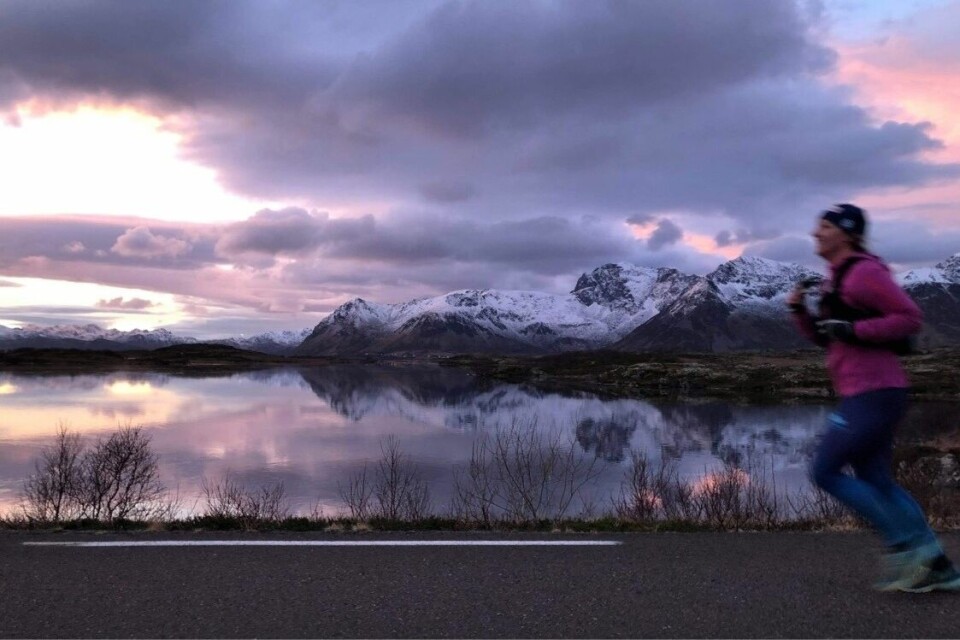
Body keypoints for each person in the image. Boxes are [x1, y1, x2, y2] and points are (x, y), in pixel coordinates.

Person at [787, 203, 960, 593]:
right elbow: (826, 337)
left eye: (825, 227)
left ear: (847, 233)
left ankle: (905, 550)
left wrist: (854, 329)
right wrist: (800, 311)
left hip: (874, 392)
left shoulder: (864, 272)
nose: (816, 233)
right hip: (867, 391)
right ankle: (938, 565)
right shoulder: (835, 280)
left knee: (825, 471)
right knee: (877, 479)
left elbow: (909, 317)